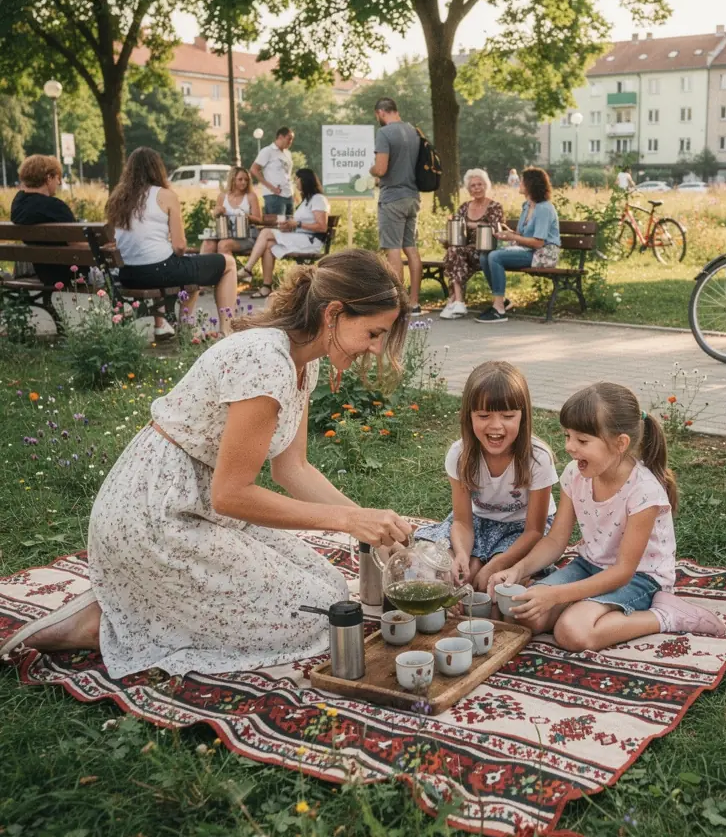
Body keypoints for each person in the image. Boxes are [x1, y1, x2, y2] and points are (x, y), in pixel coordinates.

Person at [0, 249, 415, 675]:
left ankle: (144, 599)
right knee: (315, 616)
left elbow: (293, 470)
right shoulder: (266, 363)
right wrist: (346, 523)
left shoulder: (299, 362)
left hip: (199, 505)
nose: (375, 348)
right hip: (155, 515)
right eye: (373, 333)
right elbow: (232, 495)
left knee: (329, 588)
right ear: (333, 314)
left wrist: (366, 519)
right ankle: (113, 621)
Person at [488, 382, 726, 651]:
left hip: (639, 577)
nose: (569, 446)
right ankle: (585, 605)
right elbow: (555, 540)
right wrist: (516, 569)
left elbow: (623, 572)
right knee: (524, 614)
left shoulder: (643, 491)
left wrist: (555, 594)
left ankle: (664, 616)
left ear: (620, 443)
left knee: (572, 632)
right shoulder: (574, 474)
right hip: (589, 565)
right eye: (567, 436)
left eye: (582, 440)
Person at [414, 361, 556, 592]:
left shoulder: (538, 459)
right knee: (445, 569)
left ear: (523, 416)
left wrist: (496, 565)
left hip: (522, 529)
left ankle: (487, 562)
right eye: (483, 415)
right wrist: (461, 553)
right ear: (468, 416)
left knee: (493, 581)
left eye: (508, 415)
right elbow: (462, 522)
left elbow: (534, 532)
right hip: (477, 523)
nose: (496, 426)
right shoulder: (459, 455)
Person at [108, 147, 238, 338]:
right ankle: (226, 331)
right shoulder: (166, 195)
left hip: (127, 274)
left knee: (191, 271)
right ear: (157, 169)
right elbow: (179, 246)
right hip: (161, 271)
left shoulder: (118, 198)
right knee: (229, 263)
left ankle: (166, 327)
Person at [477, 167, 560, 324]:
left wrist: (512, 237)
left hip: (543, 254)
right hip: (529, 250)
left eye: (522, 181)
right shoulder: (527, 206)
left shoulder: (544, 209)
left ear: (531, 184)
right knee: (485, 256)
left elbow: (538, 242)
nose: (519, 183)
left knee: (495, 256)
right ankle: (501, 301)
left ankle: (499, 309)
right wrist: (507, 234)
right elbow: (523, 235)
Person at [369, 97, 422, 315]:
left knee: (393, 250)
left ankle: (398, 305)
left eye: (377, 116)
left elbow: (381, 169)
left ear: (381, 112)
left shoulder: (384, 133)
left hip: (392, 198)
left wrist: (371, 170)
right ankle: (414, 302)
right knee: (411, 248)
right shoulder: (414, 132)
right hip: (413, 196)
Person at [240, 168, 329, 298]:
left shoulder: (318, 199)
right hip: (301, 237)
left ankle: (247, 269)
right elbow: (300, 224)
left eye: (297, 179)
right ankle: (266, 287)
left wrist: (298, 224)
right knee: (268, 246)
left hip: (311, 241)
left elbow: (322, 227)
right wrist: (288, 227)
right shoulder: (306, 201)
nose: (295, 182)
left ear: (305, 180)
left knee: (265, 232)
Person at [438, 169, 505, 319]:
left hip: (485, 251)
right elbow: (456, 228)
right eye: (473, 186)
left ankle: (454, 300)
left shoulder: (494, 206)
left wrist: (472, 225)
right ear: (469, 190)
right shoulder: (464, 207)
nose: (477, 188)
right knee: (453, 251)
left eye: (480, 184)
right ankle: (458, 301)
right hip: (464, 252)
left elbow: (496, 228)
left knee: (453, 255)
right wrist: (447, 239)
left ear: (486, 185)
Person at [11, 154, 77, 286]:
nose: (59, 183)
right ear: (48, 178)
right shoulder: (55, 207)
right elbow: (78, 244)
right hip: (70, 273)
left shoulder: (18, 204)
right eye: (58, 178)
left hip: (43, 273)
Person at [201, 166, 262, 257]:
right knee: (208, 243)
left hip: (246, 236)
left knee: (224, 245)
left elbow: (259, 219)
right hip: (224, 234)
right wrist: (217, 212)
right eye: (240, 179)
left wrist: (246, 216)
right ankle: (201, 270)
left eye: (246, 180)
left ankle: (228, 271)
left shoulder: (251, 196)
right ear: (233, 180)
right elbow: (216, 216)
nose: (244, 182)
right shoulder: (222, 196)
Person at [251, 127, 295, 218]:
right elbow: (254, 169)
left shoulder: (288, 153)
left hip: (288, 194)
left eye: (292, 139)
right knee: (278, 226)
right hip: (274, 195)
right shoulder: (267, 151)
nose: (290, 142)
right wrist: (271, 188)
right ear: (280, 137)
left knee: (290, 225)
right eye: (289, 138)